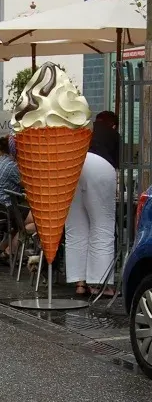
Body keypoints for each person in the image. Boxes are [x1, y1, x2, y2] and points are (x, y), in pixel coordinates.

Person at [65, 110, 119, 297]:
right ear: (113, 125)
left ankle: (80, 284)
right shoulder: (113, 134)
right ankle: (100, 284)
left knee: (75, 228)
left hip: (72, 165)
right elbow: (118, 165)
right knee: (102, 227)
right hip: (100, 167)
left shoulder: (83, 128)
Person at [0, 135, 35, 265]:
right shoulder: (12, 165)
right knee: (39, 221)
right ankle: (9, 253)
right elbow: (29, 185)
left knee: (21, 220)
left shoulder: (0, 160)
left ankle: (0, 248)